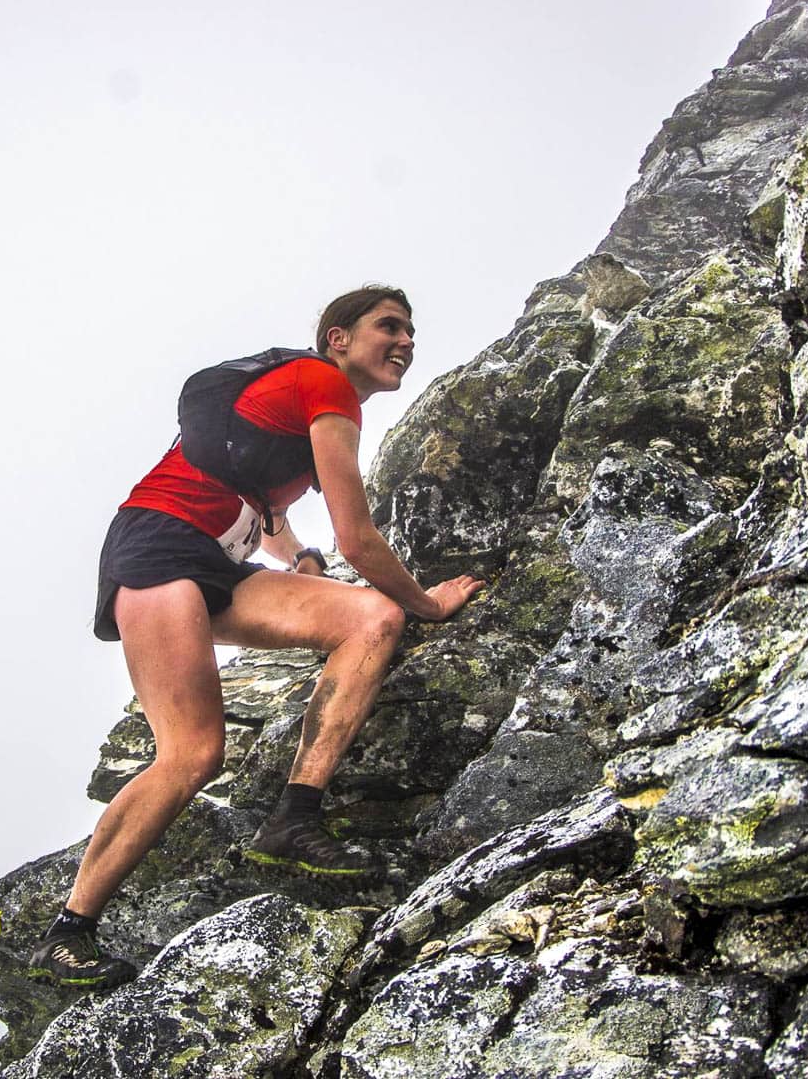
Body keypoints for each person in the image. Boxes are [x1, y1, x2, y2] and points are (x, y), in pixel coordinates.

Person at [27, 286, 484, 990]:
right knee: (191, 754)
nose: (405, 342)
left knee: (371, 619)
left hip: (212, 560)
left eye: (410, 331)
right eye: (388, 327)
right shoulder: (325, 386)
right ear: (337, 339)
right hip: (156, 550)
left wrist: (296, 556)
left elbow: (259, 508)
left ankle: (293, 820)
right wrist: (427, 602)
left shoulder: (295, 402)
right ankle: (68, 932)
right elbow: (358, 540)